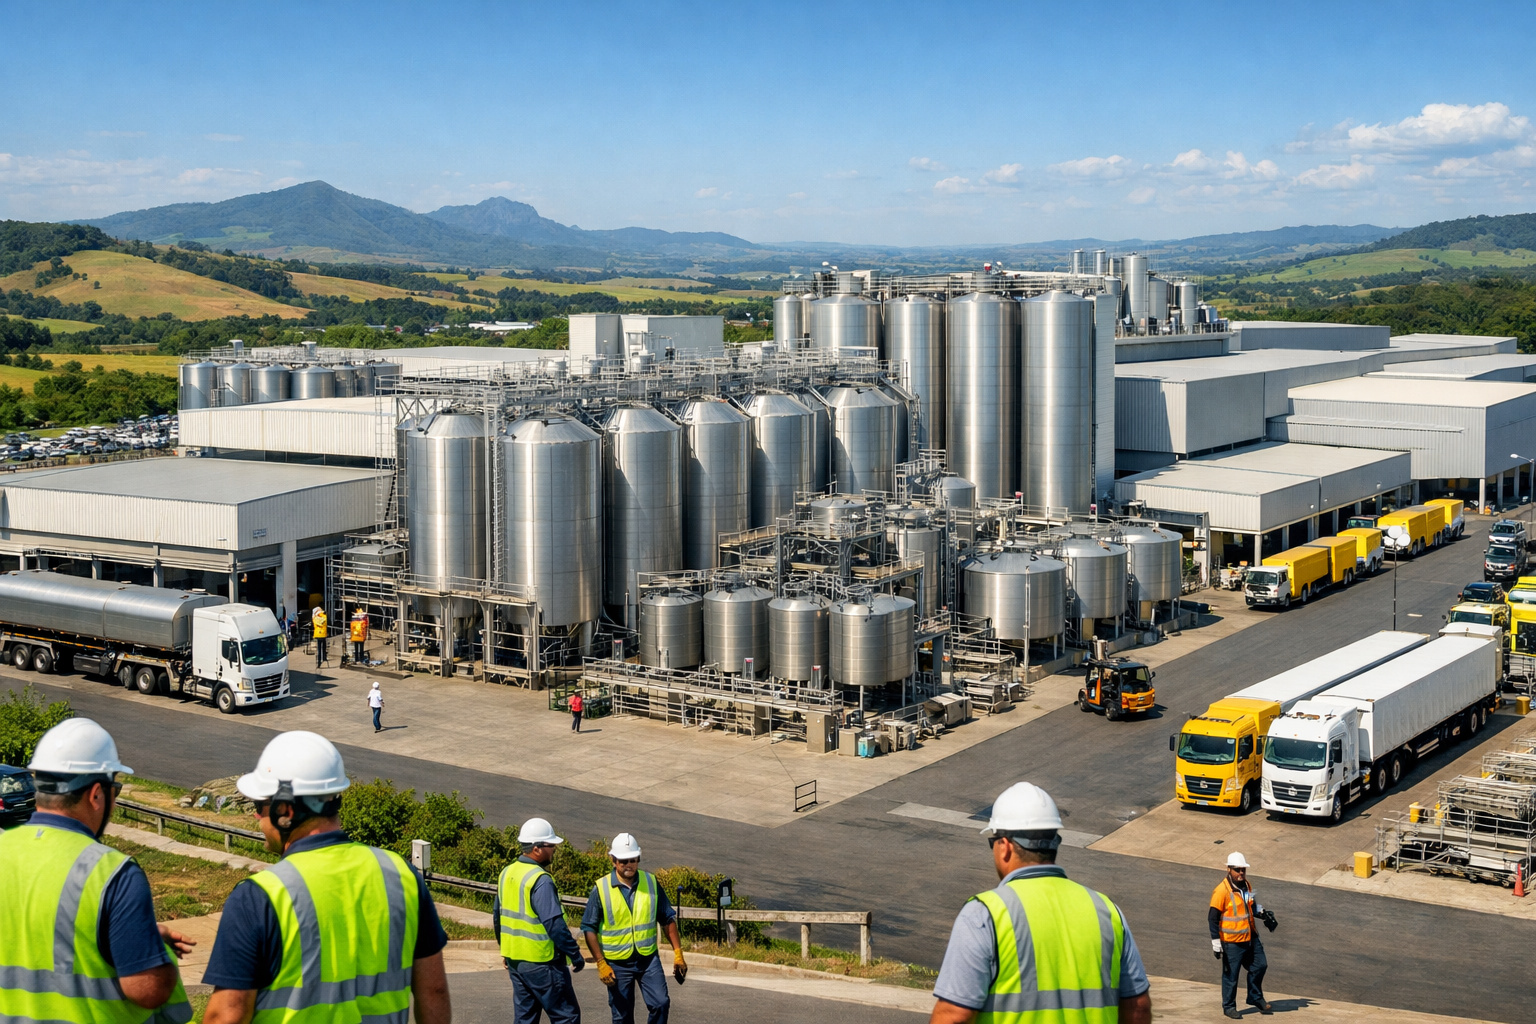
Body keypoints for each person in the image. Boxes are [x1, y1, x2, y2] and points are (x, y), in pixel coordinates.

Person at [201, 731, 452, 1024]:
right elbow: (433, 991)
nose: (257, 817)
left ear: (285, 811)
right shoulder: (400, 874)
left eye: (260, 806)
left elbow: (227, 1016)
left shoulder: (258, 897)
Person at [0, 718, 195, 1024]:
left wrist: (132, 935)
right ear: (95, 795)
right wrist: (158, 952)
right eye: (114, 789)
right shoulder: (113, 874)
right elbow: (146, 989)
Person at [930, 782, 1151, 1024]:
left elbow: (953, 1016)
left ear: (1004, 846)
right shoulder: (1106, 910)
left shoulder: (984, 914)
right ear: (1055, 841)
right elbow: (1138, 1008)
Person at [582, 832, 687, 1024]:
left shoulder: (651, 883)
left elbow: (667, 918)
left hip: (648, 960)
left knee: (661, 1003)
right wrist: (600, 962)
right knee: (622, 1016)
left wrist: (678, 953)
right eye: (623, 860)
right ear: (613, 860)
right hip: (616, 964)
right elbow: (589, 928)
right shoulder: (601, 888)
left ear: (638, 858)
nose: (628, 864)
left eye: (632, 859)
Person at [495, 817, 585, 1024]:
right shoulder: (540, 879)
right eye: (551, 845)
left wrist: (506, 949)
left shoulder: (506, 872)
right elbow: (554, 925)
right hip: (544, 963)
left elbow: (497, 917)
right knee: (567, 1017)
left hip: (516, 961)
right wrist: (574, 954)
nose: (554, 849)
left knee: (526, 1019)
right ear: (536, 849)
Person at [1210, 852, 1273, 1018]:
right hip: (1232, 943)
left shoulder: (1247, 885)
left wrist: (1263, 913)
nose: (1241, 873)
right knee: (1231, 976)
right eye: (1237, 870)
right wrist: (1216, 942)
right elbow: (1212, 918)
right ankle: (1229, 1007)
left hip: (1250, 937)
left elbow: (1250, 907)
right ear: (1229, 869)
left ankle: (1254, 996)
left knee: (1260, 965)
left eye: (1243, 870)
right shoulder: (1221, 891)